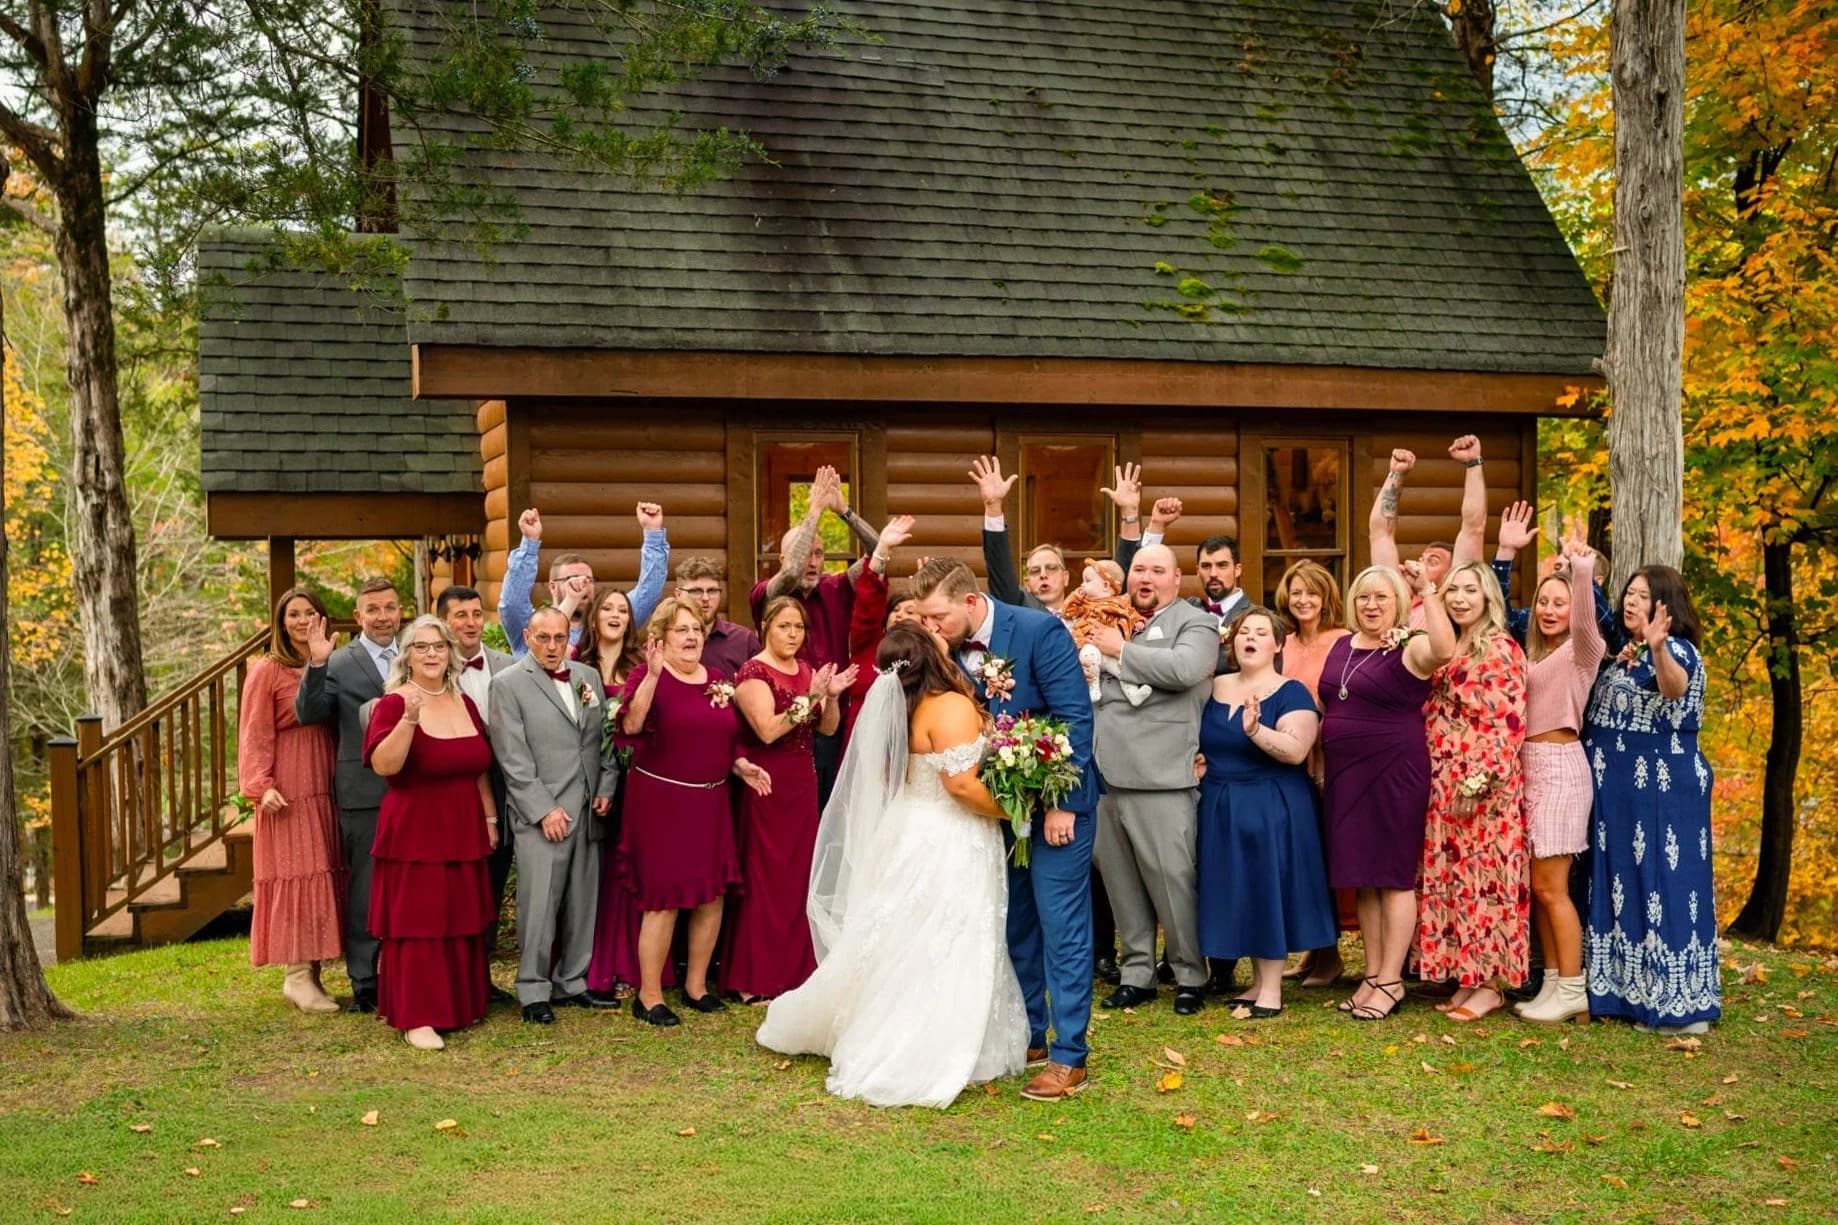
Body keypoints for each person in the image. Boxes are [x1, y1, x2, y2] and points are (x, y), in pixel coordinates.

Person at [757, 625, 1029, 1108]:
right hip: (949, 834)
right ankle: (921, 1038)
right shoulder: (951, 706)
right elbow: (962, 787)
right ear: (930, 655)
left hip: (907, 827)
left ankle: (872, 1017)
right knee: (947, 933)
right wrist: (1018, 813)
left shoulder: (898, 708)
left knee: (902, 933)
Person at [910, 559, 1097, 1102]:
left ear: (970, 603)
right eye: (924, 618)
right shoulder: (948, 651)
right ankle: (1031, 1034)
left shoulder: (1039, 630)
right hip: (997, 810)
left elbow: (1074, 717)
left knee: (1061, 924)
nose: (932, 627)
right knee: (1015, 922)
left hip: (1058, 808)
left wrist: (1061, 803)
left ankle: (1070, 1056)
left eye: (938, 615)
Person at [615, 597, 772, 1026]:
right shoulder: (646, 676)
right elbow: (630, 726)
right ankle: (648, 996)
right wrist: (650, 676)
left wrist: (740, 764)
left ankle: (697, 986)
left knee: (711, 895)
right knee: (663, 901)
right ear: (661, 638)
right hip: (663, 805)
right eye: (681, 630)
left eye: (696, 630)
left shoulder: (718, 679)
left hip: (711, 801)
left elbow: (729, 737)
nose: (690, 637)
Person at [1085, 544, 1218, 1017]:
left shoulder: (1195, 623)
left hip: (1161, 773)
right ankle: (1136, 972)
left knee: (1172, 880)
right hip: (1102, 773)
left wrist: (1119, 650)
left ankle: (1189, 974)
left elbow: (1184, 670)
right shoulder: (1110, 617)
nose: (1146, 577)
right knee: (1121, 883)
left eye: (1157, 571)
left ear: (1176, 579)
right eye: (1139, 569)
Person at [1584, 566, 1718, 1035]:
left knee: (1665, 884)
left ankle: (1679, 1008)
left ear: (1666, 605)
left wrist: (1658, 647)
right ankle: (1631, 996)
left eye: (1643, 595)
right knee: (1628, 885)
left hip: (1662, 789)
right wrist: (1583, 575)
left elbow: (1673, 688)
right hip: (1620, 792)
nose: (1631, 601)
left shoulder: (1675, 650)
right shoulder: (1627, 651)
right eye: (1629, 593)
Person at [1320, 562, 1454, 1021]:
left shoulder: (1409, 645)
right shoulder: (1343, 644)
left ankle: (1393, 979)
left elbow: (1445, 647)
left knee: (1393, 877)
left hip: (1394, 770)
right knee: (1364, 877)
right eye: (1363, 596)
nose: (1371, 605)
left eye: (1381, 597)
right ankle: (1373, 974)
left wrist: (1429, 593)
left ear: (1398, 602)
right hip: (1345, 774)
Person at [361, 616, 498, 1050]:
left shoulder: (465, 702)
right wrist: (409, 722)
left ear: (449, 651)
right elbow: (385, 767)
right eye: (421, 647)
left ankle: (460, 1004)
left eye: (438, 645)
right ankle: (418, 1015)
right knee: (419, 922)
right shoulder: (394, 703)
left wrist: (490, 820)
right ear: (408, 656)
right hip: (416, 833)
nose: (432, 654)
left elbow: (478, 770)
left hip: (463, 826)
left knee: (459, 918)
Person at [1195, 609, 1336, 1018]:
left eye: (1261, 632)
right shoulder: (1215, 686)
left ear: (1278, 644)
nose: (1250, 638)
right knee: (1240, 891)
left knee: (1267, 890)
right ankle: (1256, 980)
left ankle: (1271, 988)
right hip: (1221, 803)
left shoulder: (1291, 692)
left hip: (1271, 804)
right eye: (1243, 632)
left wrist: (1256, 730)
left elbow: (1295, 751)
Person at [488, 606, 621, 1024]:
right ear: (527, 636)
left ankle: (573, 981)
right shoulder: (507, 684)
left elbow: (603, 741)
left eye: (559, 638)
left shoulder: (587, 677)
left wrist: (605, 787)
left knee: (583, 900)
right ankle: (532, 989)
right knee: (540, 903)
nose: (551, 647)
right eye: (543, 638)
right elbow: (513, 758)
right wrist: (543, 810)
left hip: (588, 808)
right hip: (542, 813)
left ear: (569, 638)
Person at [726, 598, 857, 1003]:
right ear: (767, 627)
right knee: (766, 878)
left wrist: (830, 697)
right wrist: (809, 698)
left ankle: (797, 972)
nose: (792, 635)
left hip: (802, 784)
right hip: (767, 782)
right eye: (784, 627)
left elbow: (828, 730)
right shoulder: (753, 671)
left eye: (798, 628)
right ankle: (754, 977)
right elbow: (766, 730)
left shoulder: (805, 671)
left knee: (799, 878)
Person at [1417, 562, 1529, 1024]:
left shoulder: (1501, 649)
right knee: (1454, 880)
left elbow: (1507, 722)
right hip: (1440, 777)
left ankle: (1489, 985)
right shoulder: (1445, 643)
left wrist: (1478, 781)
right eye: (1453, 591)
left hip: (1481, 785)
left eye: (1470, 590)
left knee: (1486, 880)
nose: (1460, 598)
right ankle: (1465, 976)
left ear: (1488, 598)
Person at [295, 576, 402, 1012]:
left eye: (390, 607)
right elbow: (309, 713)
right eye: (373, 609)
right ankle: (364, 978)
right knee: (366, 889)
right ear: (358, 616)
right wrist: (316, 665)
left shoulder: (417, 654)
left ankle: (405, 971)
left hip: (417, 789)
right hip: (364, 792)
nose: (382, 617)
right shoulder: (338, 661)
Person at [748, 465, 883, 808]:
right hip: (783, 722)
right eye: (805, 551)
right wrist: (813, 511)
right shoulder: (767, 593)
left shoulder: (836, 587)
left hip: (831, 718)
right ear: (780, 558)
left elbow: (879, 552)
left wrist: (844, 511)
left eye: (819, 554)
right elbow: (791, 571)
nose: (812, 561)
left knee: (830, 810)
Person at [238, 587, 346, 1013]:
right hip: (288, 786)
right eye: (293, 614)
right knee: (296, 871)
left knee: (322, 870)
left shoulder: (331, 663)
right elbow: (254, 732)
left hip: (326, 778)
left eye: (310, 613)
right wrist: (259, 785)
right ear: (281, 623)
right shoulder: (267, 669)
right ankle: (296, 976)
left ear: (322, 618)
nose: (302, 621)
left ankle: (314, 973)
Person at [1513, 523, 1605, 1025]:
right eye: (1544, 601)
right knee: (1538, 887)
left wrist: (1580, 569)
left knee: (1553, 887)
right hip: (1527, 768)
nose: (1550, 609)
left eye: (1560, 602)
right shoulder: (1531, 655)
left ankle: (1573, 987)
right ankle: (1552, 980)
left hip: (1562, 769)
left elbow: (1589, 624)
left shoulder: (1581, 652)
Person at [1272, 559, 1352, 988]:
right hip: (1288, 760)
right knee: (1304, 855)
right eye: (1296, 591)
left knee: (1327, 854)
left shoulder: (1342, 641)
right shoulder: (1281, 642)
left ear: (1326, 598)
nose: (1303, 600)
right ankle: (1317, 950)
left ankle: (1329, 955)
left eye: (1312, 592)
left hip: (1331, 758)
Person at [437, 584, 517, 1003]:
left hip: (503, 789)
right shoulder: (431, 667)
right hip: (452, 790)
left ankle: (480, 978)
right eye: (460, 616)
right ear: (444, 623)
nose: (470, 623)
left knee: (489, 884)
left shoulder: (506, 665)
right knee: (453, 888)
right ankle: (447, 978)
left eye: (475, 614)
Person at [575, 584, 646, 1002]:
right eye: (609, 609)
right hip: (590, 783)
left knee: (629, 872)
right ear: (595, 616)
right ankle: (590, 963)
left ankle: (629, 964)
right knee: (596, 875)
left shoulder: (642, 665)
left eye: (623, 610)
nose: (616, 615)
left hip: (636, 780)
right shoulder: (577, 665)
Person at [971, 456, 1152, 615]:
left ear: (1065, 577)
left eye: (1051, 568)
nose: (1043, 575)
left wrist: (1129, 512)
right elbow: (1001, 572)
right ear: (1027, 583)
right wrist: (993, 506)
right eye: (1035, 571)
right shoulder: (1021, 609)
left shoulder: (1090, 608)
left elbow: (1117, 576)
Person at [499, 503, 669, 654]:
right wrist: (529, 543)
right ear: (553, 587)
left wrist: (652, 533)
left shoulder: (608, 622)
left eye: (588, 579)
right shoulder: (532, 626)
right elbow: (511, 603)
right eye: (573, 578)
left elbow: (648, 593)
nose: (582, 585)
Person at [1368, 437, 1489, 623]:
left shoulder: (1456, 605)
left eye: (1432, 561)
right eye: (1421, 559)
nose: (1420, 565)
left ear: (1452, 573)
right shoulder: (1400, 600)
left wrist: (1473, 463)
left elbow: (1473, 529)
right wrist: (1396, 474)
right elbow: (1380, 534)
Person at [1491, 502, 1619, 650]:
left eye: (1571, 568)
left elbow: (1613, 634)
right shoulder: (1535, 621)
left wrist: (1580, 568)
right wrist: (1505, 552)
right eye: (1558, 567)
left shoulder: (1601, 627)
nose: (1560, 573)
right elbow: (1499, 613)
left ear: (1596, 581)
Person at [843, 516, 917, 743]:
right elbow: (869, 599)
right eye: (895, 610)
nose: (900, 615)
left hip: (908, 747)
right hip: (860, 748)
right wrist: (882, 550)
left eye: (910, 612)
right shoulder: (868, 643)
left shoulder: (928, 654)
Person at [1061, 559, 1146, 700]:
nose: (1082, 584)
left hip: (1111, 650)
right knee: (1089, 655)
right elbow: (1067, 612)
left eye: (1087, 581)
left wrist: (1138, 621)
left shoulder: (1122, 602)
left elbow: (1131, 614)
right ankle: (1093, 688)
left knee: (1121, 669)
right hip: (1090, 643)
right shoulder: (1085, 604)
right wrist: (1075, 596)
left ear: (1106, 585)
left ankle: (1133, 694)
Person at [674, 556, 760, 677]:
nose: (705, 598)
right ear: (678, 594)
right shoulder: (662, 641)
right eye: (696, 591)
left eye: (712, 591)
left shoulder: (744, 641)